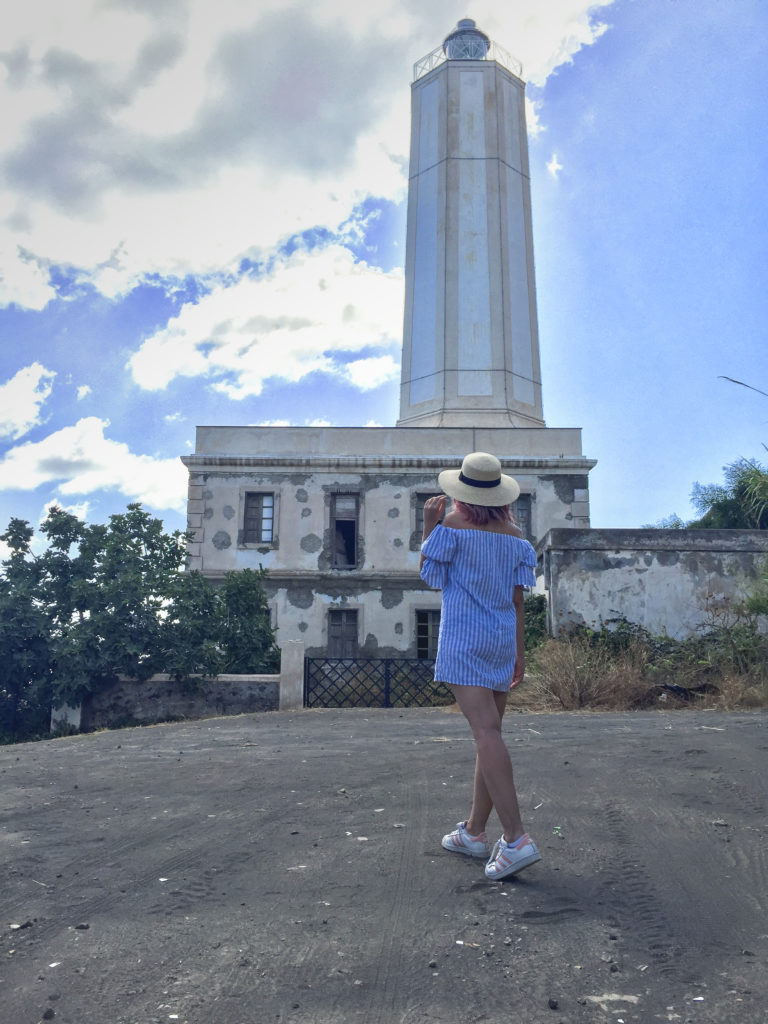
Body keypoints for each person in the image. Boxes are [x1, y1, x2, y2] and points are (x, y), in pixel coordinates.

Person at [420, 452, 541, 881]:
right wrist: (520, 653)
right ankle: (474, 832)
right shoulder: (516, 536)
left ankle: (516, 838)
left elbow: (431, 577)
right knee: (489, 735)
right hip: (500, 642)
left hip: (464, 640)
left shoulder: (451, 526)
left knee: (486, 734)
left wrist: (429, 526)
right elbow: (518, 599)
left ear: (461, 492)